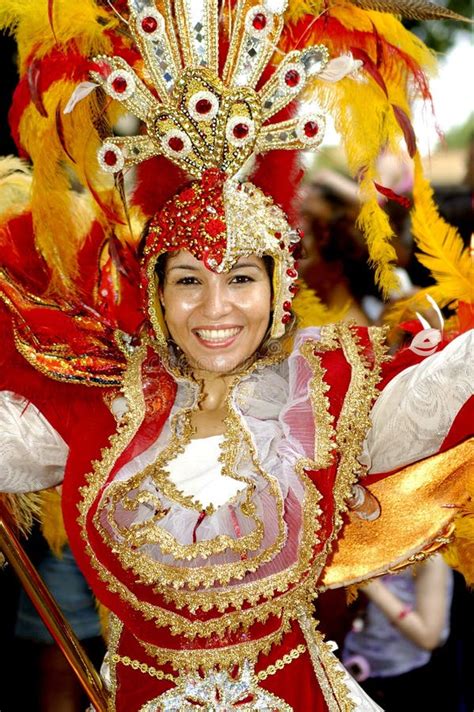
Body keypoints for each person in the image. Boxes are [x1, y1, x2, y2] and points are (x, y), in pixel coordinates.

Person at [0, 1, 472, 710]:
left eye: (241, 278)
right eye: (188, 279)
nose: (215, 309)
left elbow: (447, 393)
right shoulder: (100, 394)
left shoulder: (328, 387)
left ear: (280, 287)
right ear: (157, 292)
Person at [342, 556, 455, 711]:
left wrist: (372, 587)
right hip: (356, 661)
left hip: (403, 680)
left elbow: (429, 638)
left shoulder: (429, 558)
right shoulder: (375, 546)